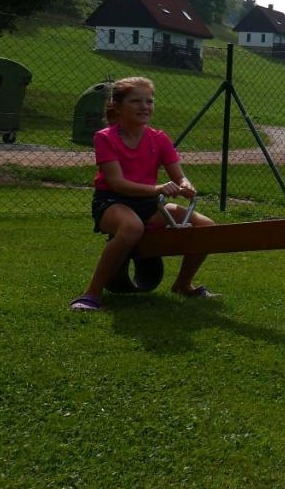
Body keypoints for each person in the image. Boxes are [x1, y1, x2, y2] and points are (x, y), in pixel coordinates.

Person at [69, 76, 217, 312]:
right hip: (112, 202)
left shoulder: (159, 139)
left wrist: (186, 185)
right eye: (136, 101)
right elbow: (117, 183)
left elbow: (179, 175)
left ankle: (183, 284)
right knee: (132, 227)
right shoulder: (105, 138)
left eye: (149, 101)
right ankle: (91, 293)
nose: (144, 107)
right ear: (117, 107)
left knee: (207, 227)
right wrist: (158, 189)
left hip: (149, 204)